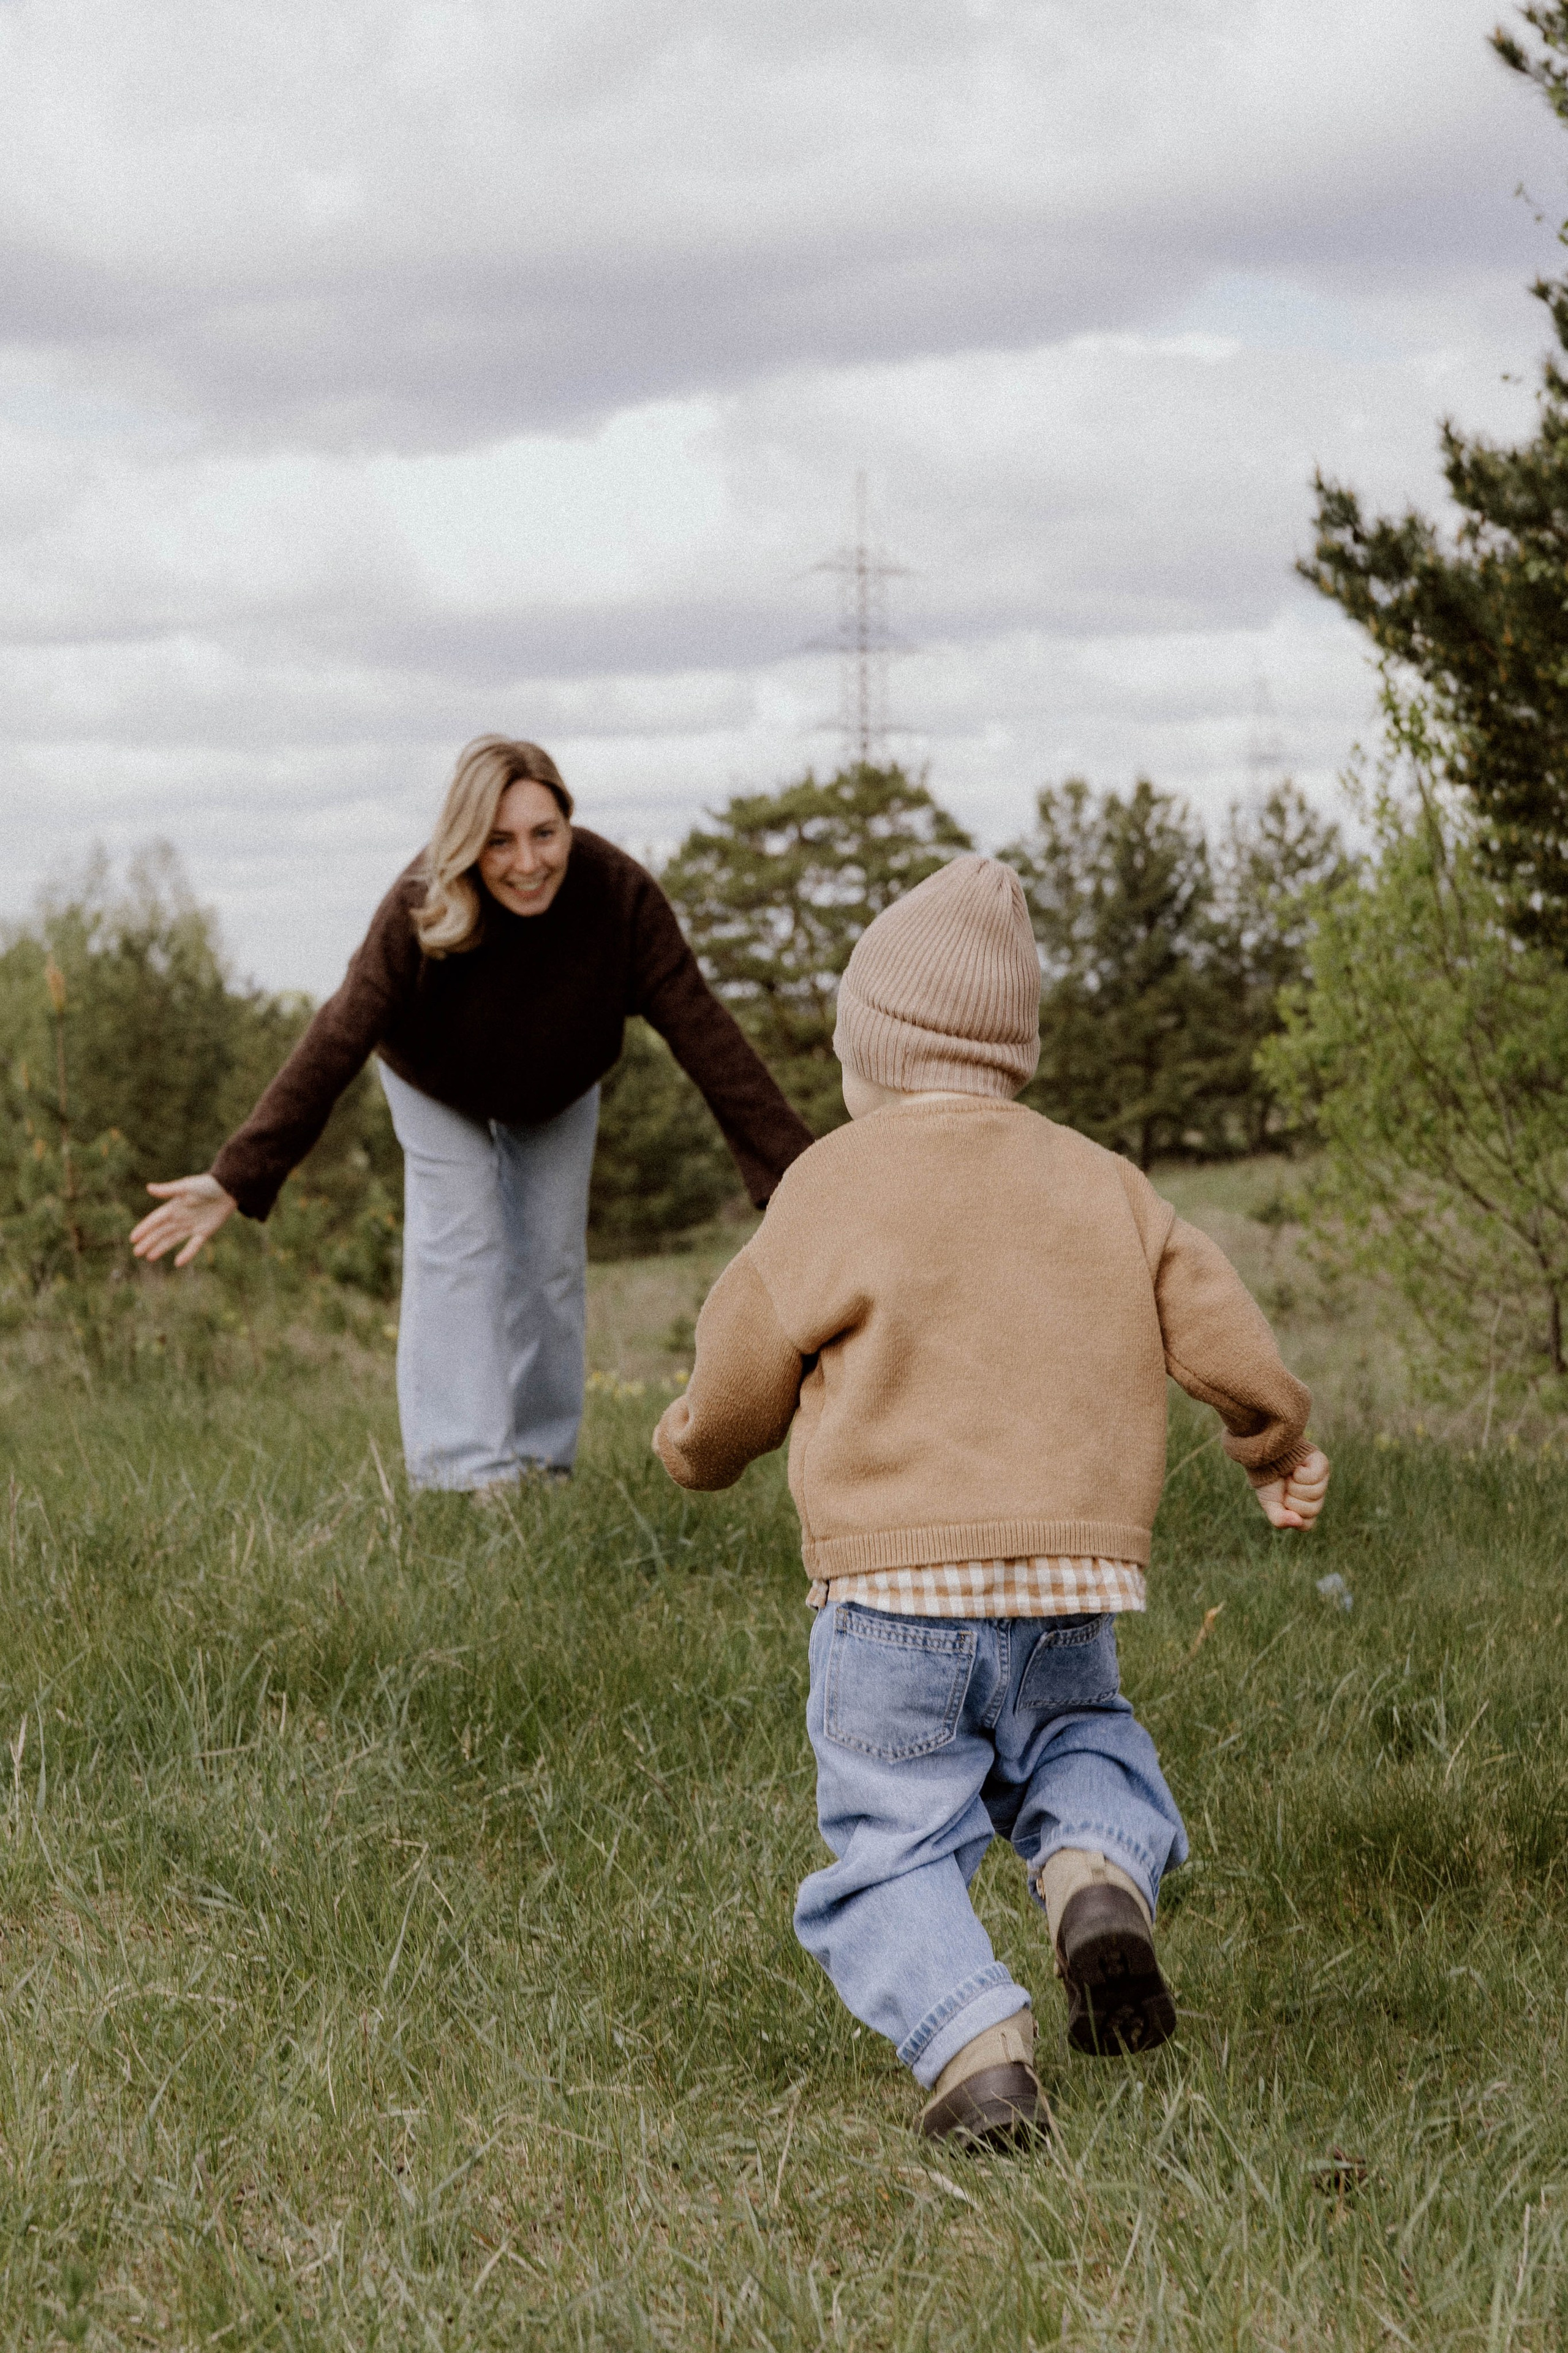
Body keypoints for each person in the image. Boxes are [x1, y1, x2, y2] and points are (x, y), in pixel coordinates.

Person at [652, 855, 1329, 2149]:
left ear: (870, 1051)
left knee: (894, 1837)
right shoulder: (1100, 1179)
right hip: (1069, 1584)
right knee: (1080, 1740)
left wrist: (693, 1448)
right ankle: (1093, 1875)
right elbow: (1214, 1316)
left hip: (892, 1599)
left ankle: (977, 2051)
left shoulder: (832, 1182)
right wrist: (1269, 1437)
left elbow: (738, 1371)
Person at [130, 736, 814, 1492]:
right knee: (461, 1245)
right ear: (466, 843)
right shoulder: (420, 903)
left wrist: (805, 1181)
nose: (528, 862)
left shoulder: (618, 896)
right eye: (499, 842)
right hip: (436, 1080)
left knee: (550, 1265)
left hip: (557, 1086)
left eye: (544, 834)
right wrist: (237, 1176)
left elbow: (708, 1037)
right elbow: (337, 1036)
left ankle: (541, 1464)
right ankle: (463, 1475)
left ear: (568, 824)